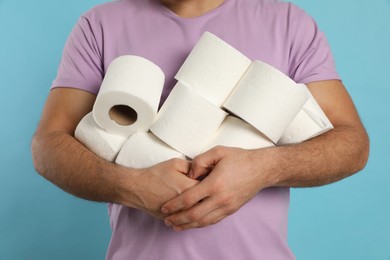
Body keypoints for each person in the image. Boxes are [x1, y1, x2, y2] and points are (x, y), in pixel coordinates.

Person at [31, 0, 369, 259]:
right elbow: (48, 146)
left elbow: (351, 143)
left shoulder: (289, 24)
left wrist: (263, 168)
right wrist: (132, 185)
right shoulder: (100, 25)